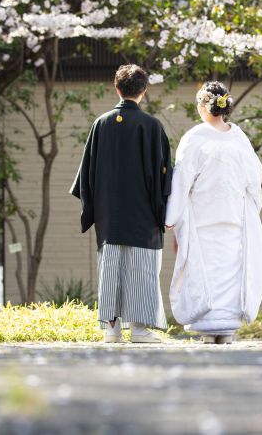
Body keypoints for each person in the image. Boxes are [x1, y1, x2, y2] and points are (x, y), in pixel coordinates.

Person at [70, 64, 172, 343]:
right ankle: (139, 329)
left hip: (109, 214)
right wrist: (164, 210)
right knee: (141, 268)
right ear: (144, 90)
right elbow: (164, 173)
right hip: (144, 212)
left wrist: (96, 208)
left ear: (117, 88)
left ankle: (112, 330)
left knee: (111, 265)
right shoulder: (152, 126)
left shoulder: (101, 123)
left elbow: (87, 173)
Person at [165, 81, 262, 344]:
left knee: (203, 269)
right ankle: (228, 327)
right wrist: (252, 209)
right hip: (234, 216)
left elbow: (182, 180)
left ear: (203, 105)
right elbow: (254, 179)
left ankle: (207, 328)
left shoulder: (195, 137)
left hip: (202, 216)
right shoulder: (239, 138)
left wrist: (171, 216)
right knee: (231, 269)